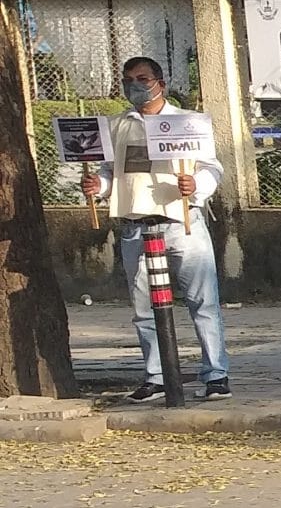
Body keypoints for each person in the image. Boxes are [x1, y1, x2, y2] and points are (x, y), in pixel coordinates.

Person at [86, 56, 231, 402]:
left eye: (142, 78)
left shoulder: (188, 123)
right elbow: (110, 171)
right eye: (128, 79)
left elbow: (212, 168)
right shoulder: (117, 125)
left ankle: (216, 375)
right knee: (143, 309)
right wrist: (99, 186)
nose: (135, 85)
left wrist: (194, 184)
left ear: (160, 83)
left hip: (182, 222)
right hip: (136, 225)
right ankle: (157, 375)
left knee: (203, 302)